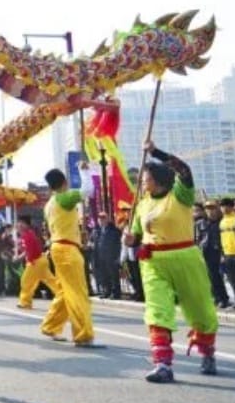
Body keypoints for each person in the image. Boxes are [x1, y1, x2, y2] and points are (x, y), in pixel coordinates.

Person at [127, 140, 218, 383]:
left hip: (185, 257)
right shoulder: (142, 204)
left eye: (145, 178)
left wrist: (155, 152)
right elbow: (136, 236)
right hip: (153, 261)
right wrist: (130, 239)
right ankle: (163, 364)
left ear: (159, 179)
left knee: (200, 309)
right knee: (157, 311)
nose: (142, 182)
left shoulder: (181, 194)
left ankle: (207, 352)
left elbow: (185, 169)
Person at [39, 164, 100, 347]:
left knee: (66, 291)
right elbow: (88, 190)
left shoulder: (49, 204)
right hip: (67, 249)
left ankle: (51, 325)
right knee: (77, 293)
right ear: (64, 182)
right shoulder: (64, 198)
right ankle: (83, 335)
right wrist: (84, 171)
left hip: (58, 248)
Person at [14, 215, 56, 309]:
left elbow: (30, 251)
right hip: (40, 260)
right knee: (50, 280)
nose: (19, 225)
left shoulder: (27, 235)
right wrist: (20, 253)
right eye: (18, 223)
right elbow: (28, 250)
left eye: (21, 223)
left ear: (26, 225)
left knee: (25, 281)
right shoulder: (28, 234)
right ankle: (64, 296)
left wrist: (25, 259)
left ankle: (25, 302)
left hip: (35, 262)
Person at [93, 212, 122, 299]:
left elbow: (118, 244)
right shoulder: (97, 230)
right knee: (104, 275)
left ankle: (115, 293)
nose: (101, 220)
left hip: (111, 256)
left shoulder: (114, 230)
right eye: (100, 218)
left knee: (113, 275)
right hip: (100, 256)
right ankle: (106, 291)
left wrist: (118, 256)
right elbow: (94, 243)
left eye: (103, 218)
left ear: (108, 219)